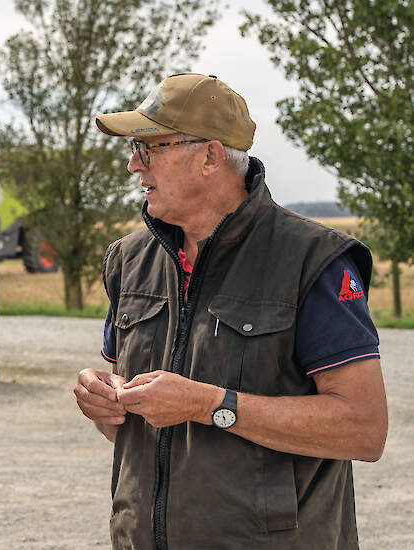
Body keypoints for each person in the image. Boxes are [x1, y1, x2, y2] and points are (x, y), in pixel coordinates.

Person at [73, 73, 387, 549]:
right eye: (134, 150)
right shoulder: (129, 260)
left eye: (149, 148)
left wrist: (209, 405)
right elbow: (136, 429)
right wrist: (106, 405)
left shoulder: (312, 260)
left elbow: (364, 430)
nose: (134, 166)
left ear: (210, 156)